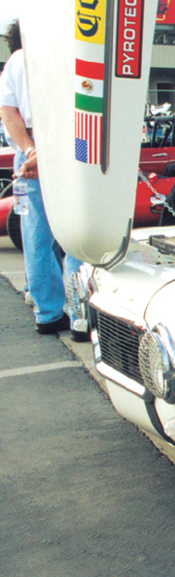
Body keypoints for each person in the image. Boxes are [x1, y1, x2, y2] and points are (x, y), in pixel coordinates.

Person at [0, 21, 86, 340]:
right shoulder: (64, 52)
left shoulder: (14, 63)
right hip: (67, 148)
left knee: (34, 233)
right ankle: (80, 315)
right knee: (76, 229)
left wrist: (31, 150)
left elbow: (8, 113)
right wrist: (49, 152)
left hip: (25, 158)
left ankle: (47, 313)